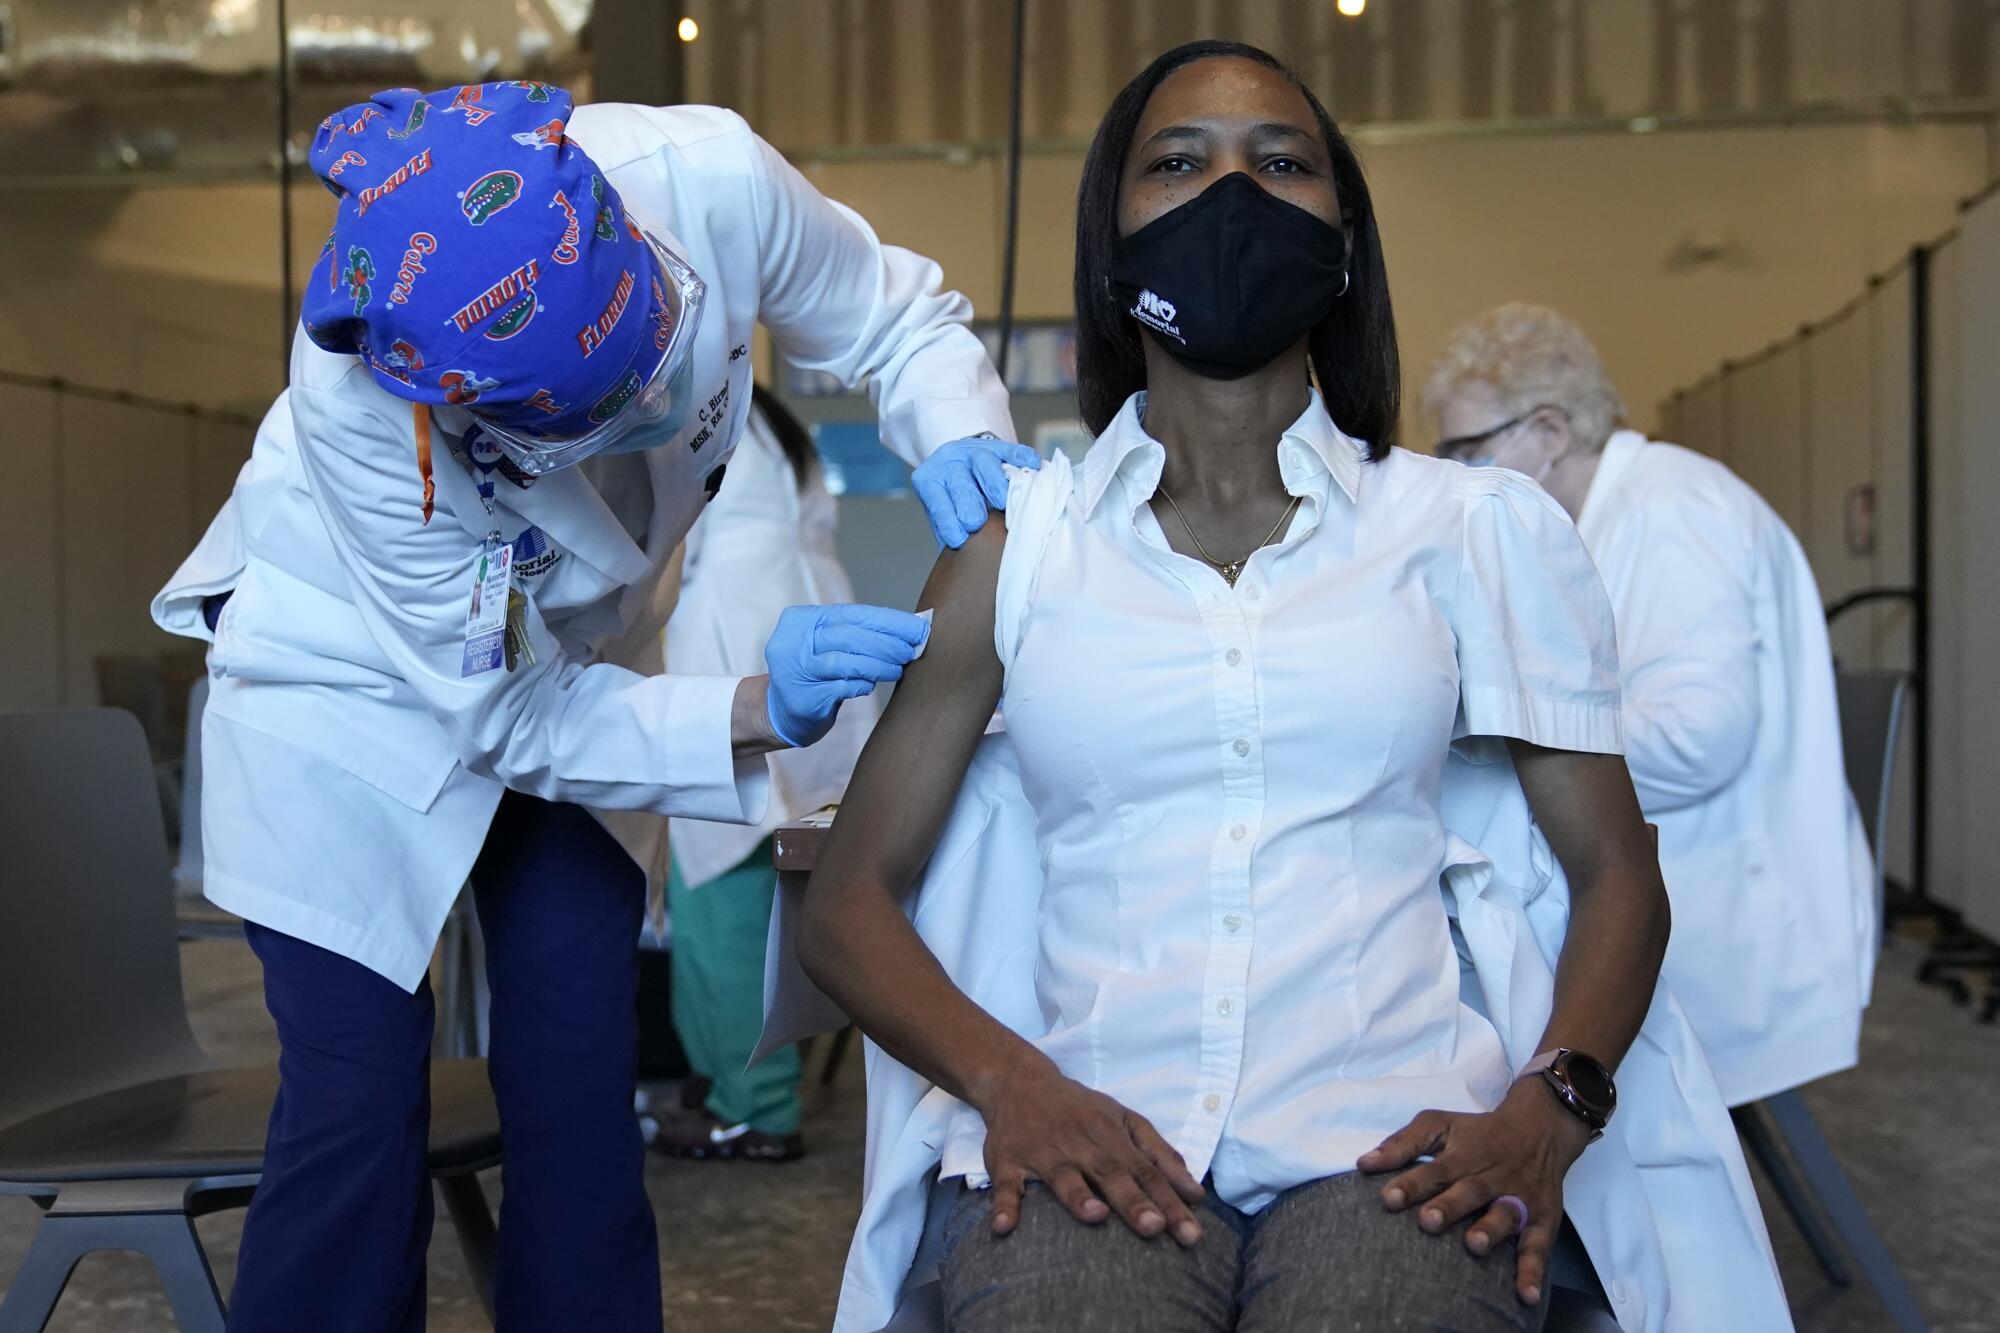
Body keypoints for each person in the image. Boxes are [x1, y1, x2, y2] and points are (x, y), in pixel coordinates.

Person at [796, 43, 1678, 1331]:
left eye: (1279, 164)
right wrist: (1009, 1085)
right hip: (1089, 1119)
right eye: (1176, 162)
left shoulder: (1471, 528)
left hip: (1391, 1133)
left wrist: (1553, 1105)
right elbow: (848, 901)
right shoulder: (1014, 548)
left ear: (1341, 237)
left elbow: (1614, 871)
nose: (1231, 194)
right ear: (1112, 241)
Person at [149, 82, 1032, 1331]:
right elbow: (510, 716)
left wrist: (952, 433)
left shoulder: (708, 171)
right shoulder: (364, 406)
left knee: (574, 1076)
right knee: (356, 1111)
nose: (655, 421)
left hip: (575, 656)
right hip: (342, 693)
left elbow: (893, 319)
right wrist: (747, 705)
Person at [1425, 303, 1874, 1108]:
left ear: (1551, 430)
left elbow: (1701, 740)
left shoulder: (1670, 511)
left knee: (1474, 1032)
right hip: (1691, 880)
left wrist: (1513, 734)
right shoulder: (1607, 517)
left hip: (1731, 915)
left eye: (1468, 448)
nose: (1454, 470)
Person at [654, 385, 872, 1161]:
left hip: (730, 641)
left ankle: (755, 1103)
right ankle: (732, 1080)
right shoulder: (775, 423)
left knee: (721, 892)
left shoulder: (689, 411)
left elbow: (656, 549)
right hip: (809, 629)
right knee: (778, 889)